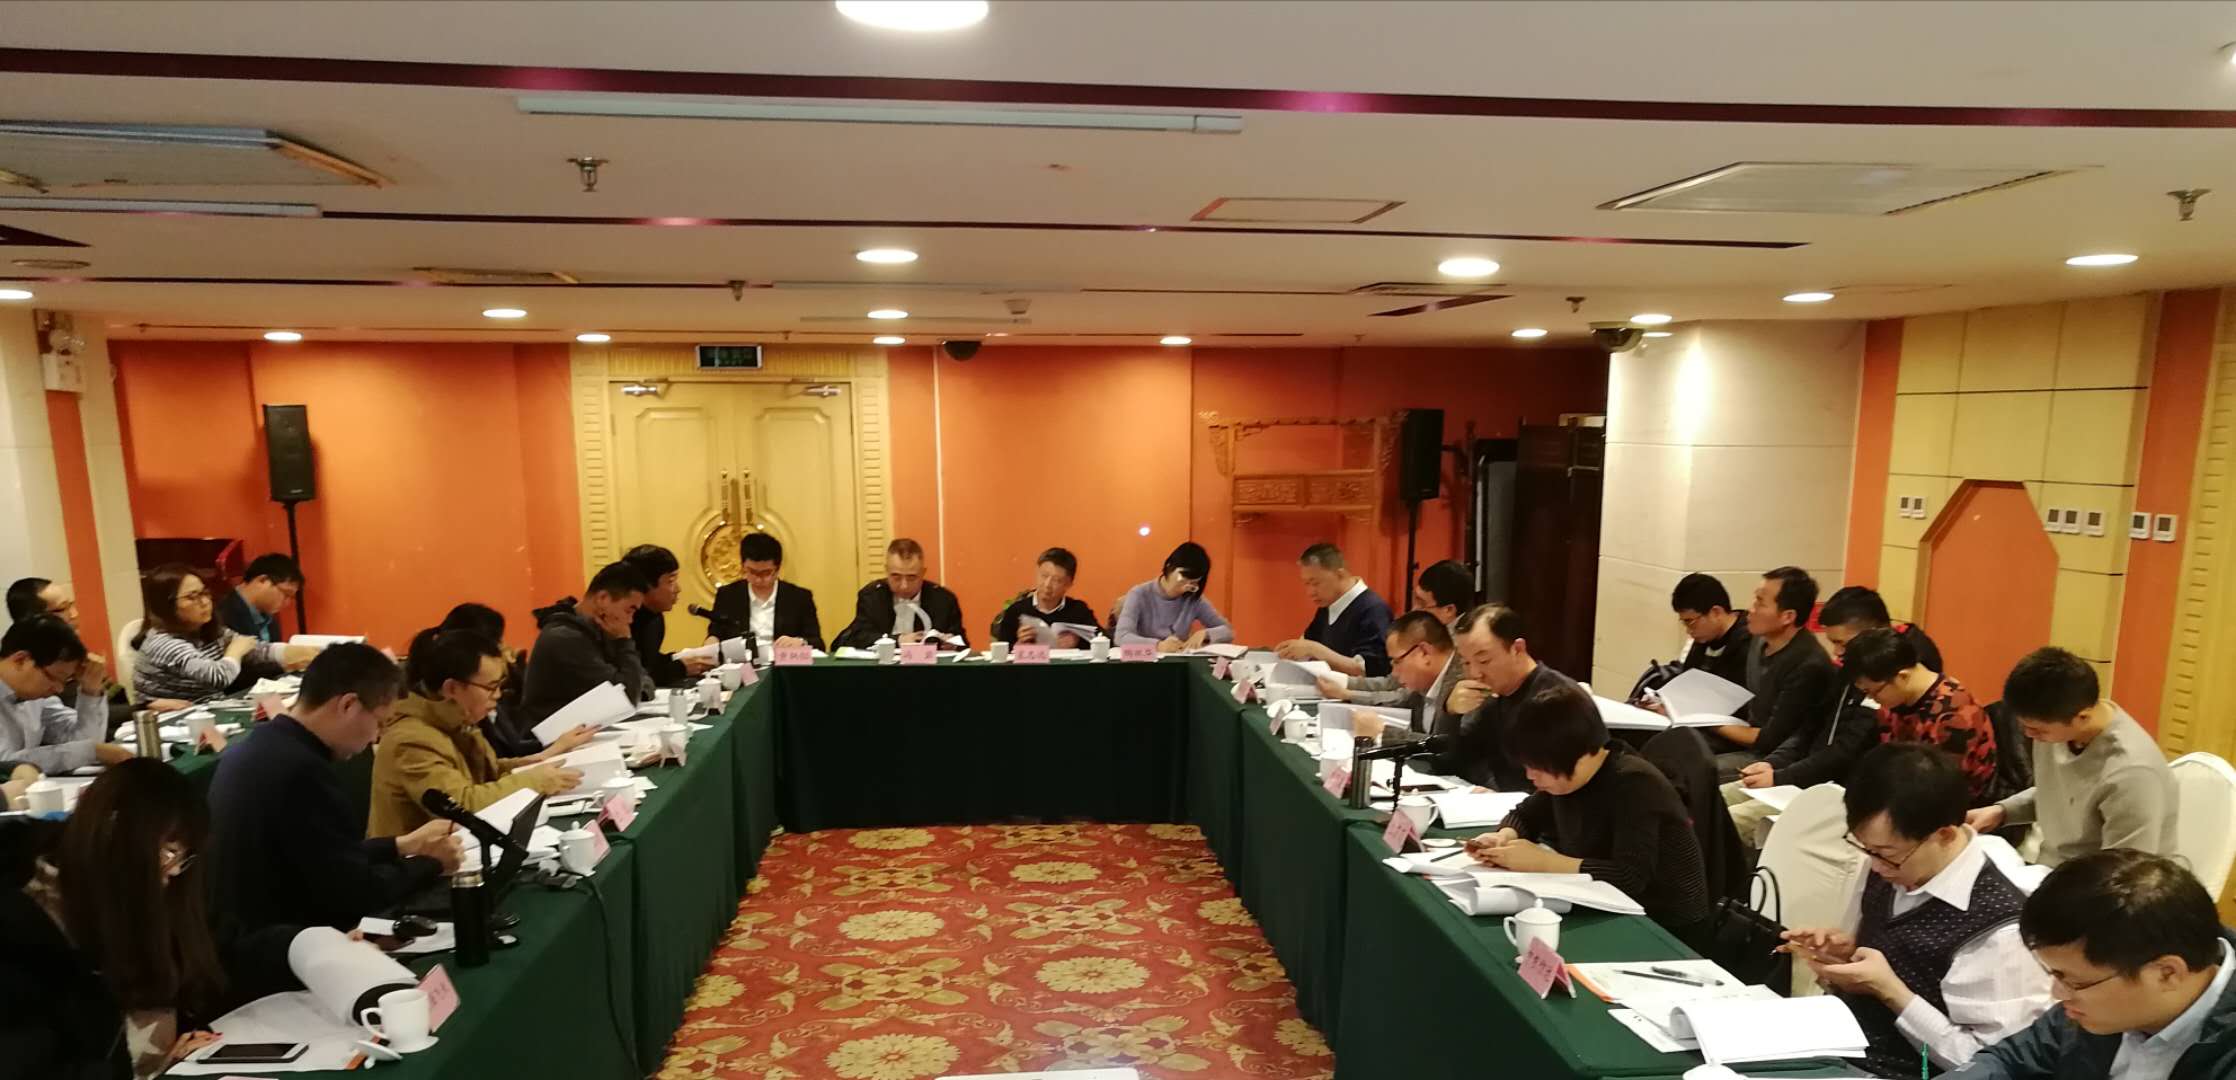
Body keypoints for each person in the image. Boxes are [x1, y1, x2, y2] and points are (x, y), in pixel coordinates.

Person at [0, 760, 303, 1079]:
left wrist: (301, 947)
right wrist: (145, 1069)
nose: (174, 871)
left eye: (183, 857)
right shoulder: (21, 931)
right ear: (113, 834)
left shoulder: (142, 895)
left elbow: (219, 955)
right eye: (169, 852)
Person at [1780, 743, 2050, 1077]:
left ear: (1945, 835)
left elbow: (1989, 1065)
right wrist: (1847, 956)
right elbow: (1899, 952)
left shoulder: (2001, 931)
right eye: (1866, 849)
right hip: (1845, 1044)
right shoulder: (1893, 863)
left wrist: (1890, 990)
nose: (1876, 866)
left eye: (1886, 854)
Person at [207, 644, 463, 933]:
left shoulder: (263, 746)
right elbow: (354, 893)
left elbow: (321, 854)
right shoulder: (301, 771)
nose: (376, 737)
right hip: (278, 942)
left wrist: (400, 845)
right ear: (348, 705)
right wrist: (432, 862)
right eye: (379, 723)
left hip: (246, 928)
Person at [1948, 850, 2236, 1079]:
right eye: (2055, 975)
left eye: (2074, 982)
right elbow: (2011, 1059)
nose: (2058, 993)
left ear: (2167, 973)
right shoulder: (2098, 1003)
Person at [1467, 683, 1711, 943]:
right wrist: (1503, 837)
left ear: (1577, 755)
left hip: (1665, 926)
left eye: (1538, 766)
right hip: (1602, 904)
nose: (1530, 776)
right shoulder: (1568, 777)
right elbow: (1526, 815)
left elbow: (1629, 877)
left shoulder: (1636, 783)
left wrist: (1543, 862)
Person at [367, 629, 591, 838]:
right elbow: (461, 805)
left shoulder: (455, 717)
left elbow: (490, 772)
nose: (498, 695)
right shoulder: (410, 739)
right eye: (491, 687)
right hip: (416, 861)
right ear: (452, 688)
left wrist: (539, 760)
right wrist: (535, 780)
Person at [1966, 648, 2177, 868]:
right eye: (2024, 726)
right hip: (2053, 869)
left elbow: (2125, 872)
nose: (2028, 735)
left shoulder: (2132, 773)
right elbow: (2063, 794)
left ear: (2082, 717)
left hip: (2106, 880)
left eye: (2037, 729)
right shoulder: (2060, 726)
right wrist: (2002, 812)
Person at [1415, 603, 1579, 790]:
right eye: (1466, 662)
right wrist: (1449, 713)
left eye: (1484, 660)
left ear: (1517, 649)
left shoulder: (1557, 700)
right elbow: (1448, 762)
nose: (1475, 673)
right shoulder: (1496, 698)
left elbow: (1563, 784)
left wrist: (1498, 794)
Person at [1707, 566, 1838, 777]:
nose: (1751, 609)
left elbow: (1771, 740)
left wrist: (1708, 722)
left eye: (1760, 602)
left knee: (1693, 770)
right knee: (1676, 746)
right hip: (1747, 736)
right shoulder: (1758, 639)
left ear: (1787, 616)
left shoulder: (1808, 665)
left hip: (1775, 758)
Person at [1844, 627, 2000, 802]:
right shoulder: (1896, 700)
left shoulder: (1953, 715)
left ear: (1902, 677)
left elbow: (1940, 791)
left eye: (1872, 692)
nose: (1871, 699)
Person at [131, 565, 313, 704]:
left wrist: (296, 652)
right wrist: (234, 652)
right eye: (192, 597)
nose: (205, 602)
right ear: (164, 605)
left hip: (210, 710)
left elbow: (253, 648)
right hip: (170, 723)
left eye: (205, 593)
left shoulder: (207, 629)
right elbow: (217, 677)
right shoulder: (163, 642)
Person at [518, 561, 653, 733]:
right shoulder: (565, 639)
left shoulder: (599, 631)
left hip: (581, 731)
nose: (630, 620)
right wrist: (624, 641)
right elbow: (626, 698)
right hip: (550, 740)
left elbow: (643, 679)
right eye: (629, 610)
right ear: (603, 599)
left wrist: (635, 685)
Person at [1321, 559, 1474, 706]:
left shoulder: (1464, 649)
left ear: (1449, 610)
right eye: (1414, 598)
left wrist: (1348, 694)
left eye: (1422, 603)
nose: (1414, 609)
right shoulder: (1430, 632)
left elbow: (1408, 697)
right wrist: (1345, 683)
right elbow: (1394, 682)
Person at [0, 614, 130, 775]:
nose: (59, 689)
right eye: (53, 677)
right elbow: (5, 764)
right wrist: (89, 751)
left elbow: (85, 741)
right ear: (21, 660)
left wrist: (90, 691)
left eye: (65, 680)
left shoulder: (35, 697)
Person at [1275, 542, 1394, 677]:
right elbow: (1307, 643)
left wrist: (1314, 649)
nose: (1310, 592)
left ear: (1340, 575)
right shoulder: (1328, 604)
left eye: (1316, 583)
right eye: (1307, 584)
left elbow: (1368, 670)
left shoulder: (1374, 610)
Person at [833, 538, 969, 650]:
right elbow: (860, 637)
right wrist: (898, 640)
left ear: (923, 573)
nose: (904, 586)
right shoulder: (872, 596)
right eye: (896, 577)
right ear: (887, 571)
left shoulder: (943, 600)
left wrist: (953, 644)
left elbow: (963, 643)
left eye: (911, 577)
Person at [620, 544, 716, 689]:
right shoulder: (620, 620)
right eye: (671, 581)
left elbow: (649, 661)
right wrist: (678, 668)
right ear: (645, 585)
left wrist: (679, 658)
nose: (678, 589)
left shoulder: (655, 617)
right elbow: (628, 678)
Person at [710, 532, 823, 651]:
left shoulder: (799, 597)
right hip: (740, 661)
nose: (758, 579)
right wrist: (711, 641)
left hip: (782, 661)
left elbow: (818, 643)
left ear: (777, 569)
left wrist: (801, 642)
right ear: (743, 566)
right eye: (752, 571)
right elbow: (715, 633)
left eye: (766, 573)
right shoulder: (728, 595)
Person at [1113, 542, 1233, 652]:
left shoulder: (1193, 599)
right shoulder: (1139, 594)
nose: (1186, 587)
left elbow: (1228, 631)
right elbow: (1121, 637)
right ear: (1169, 566)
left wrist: (1206, 633)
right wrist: (1158, 646)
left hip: (1178, 661)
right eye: (1183, 579)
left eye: (1193, 583)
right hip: (1145, 660)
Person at [1820, 585, 1945, 676]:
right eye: (1833, 643)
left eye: (1842, 643)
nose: (1837, 652)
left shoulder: (1911, 660)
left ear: (1874, 631)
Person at [991, 547, 1099, 647]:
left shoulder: (1079, 611)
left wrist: (1078, 642)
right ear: (1037, 573)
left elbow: (1103, 641)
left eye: (1056, 580)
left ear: (1068, 584)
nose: (1047, 585)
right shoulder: (1016, 611)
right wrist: (1019, 645)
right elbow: (1002, 652)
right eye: (1044, 576)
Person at [1669, 572, 1753, 692]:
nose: (1688, 630)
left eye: (1690, 622)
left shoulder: (1751, 644)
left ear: (1716, 612)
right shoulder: (1704, 638)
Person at [216, 553, 303, 644]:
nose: (287, 602)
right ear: (263, 580)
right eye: (285, 594)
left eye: (291, 597)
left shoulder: (268, 616)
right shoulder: (224, 615)